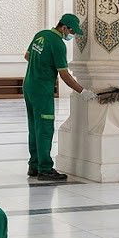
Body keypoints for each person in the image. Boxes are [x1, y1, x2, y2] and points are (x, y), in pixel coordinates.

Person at [23, 13, 96, 181]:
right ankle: (45, 169)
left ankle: (33, 166)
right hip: (42, 90)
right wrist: (83, 91)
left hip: (28, 86)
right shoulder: (58, 44)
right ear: (64, 27)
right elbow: (65, 75)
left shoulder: (40, 35)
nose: (72, 35)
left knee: (34, 127)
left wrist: (40, 66)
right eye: (72, 32)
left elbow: (27, 56)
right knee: (45, 129)